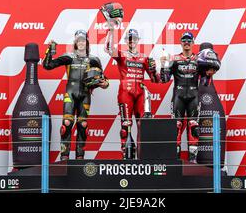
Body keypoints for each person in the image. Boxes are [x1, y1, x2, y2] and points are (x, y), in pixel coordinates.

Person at [43, 29, 109, 160]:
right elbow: (47, 65)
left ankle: (80, 158)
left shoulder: (94, 60)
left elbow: (105, 81)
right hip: (70, 93)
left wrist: (102, 84)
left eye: (83, 40)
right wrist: (49, 51)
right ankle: (64, 157)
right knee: (67, 123)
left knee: (83, 125)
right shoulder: (69, 57)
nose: (81, 43)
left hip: (85, 95)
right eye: (78, 40)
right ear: (75, 42)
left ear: (87, 42)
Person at [105, 27, 159, 159]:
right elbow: (108, 49)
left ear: (138, 40)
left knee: (143, 125)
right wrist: (111, 31)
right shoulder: (122, 55)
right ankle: (126, 156)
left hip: (140, 93)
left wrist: (154, 70)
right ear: (125, 41)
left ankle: (142, 156)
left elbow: (155, 80)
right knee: (126, 125)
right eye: (129, 39)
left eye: (134, 39)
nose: (132, 41)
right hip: (125, 92)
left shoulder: (144, 58)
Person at [160, 32, 200, 162]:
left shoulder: (199, 59)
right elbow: (164, 79)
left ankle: (192, 160)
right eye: (184, 40)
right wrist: (163, 65)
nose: (187, 42)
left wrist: (212, 70)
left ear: (193, 42)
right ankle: (175, 159)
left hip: (194, 96)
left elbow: (207, 77)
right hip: (178, 96)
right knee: (176, 126)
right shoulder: (174, 59)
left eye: (189, 40)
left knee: (194, 127)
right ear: (180, 42)